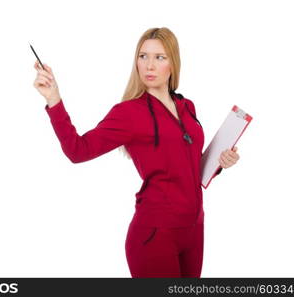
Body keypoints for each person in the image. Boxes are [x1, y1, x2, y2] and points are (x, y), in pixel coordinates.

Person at [33, 27, 240, 278]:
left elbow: (190, 167)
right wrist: (54, 99)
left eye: (159, 57)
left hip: (194, 230)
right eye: (143, 56)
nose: (149, 65)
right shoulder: (129, 113)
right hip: (155, 235)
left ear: (173, 63)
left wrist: (219, 163)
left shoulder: (187, 106)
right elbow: (78, 150)